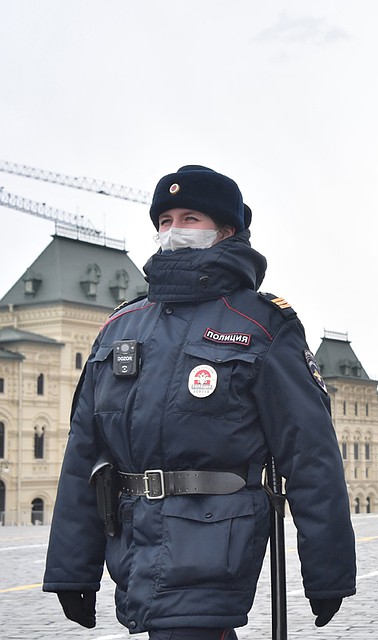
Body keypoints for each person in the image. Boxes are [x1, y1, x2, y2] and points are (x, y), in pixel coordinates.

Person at [43, 165, 356, 638]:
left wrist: (327, 569)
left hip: (218, 543)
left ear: (226, 231)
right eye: (165, 221)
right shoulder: (119, 327)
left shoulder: (262, 324)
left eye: (190, 218)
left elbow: (310, 454)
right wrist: (72, 567)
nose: (174, 232)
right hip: (131, 543)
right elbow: (84, 453)